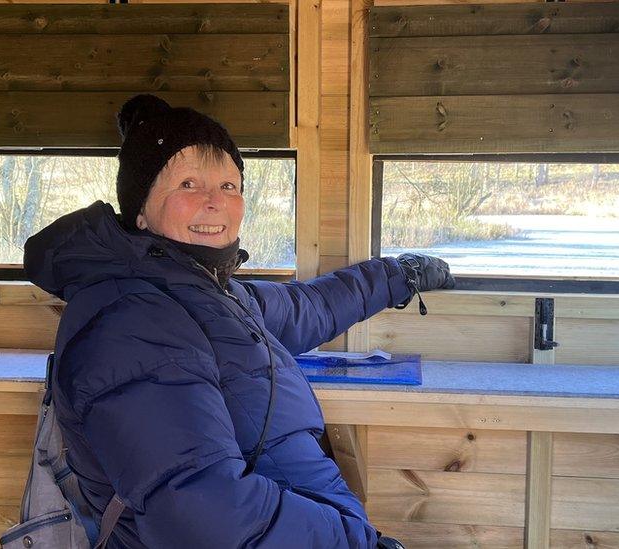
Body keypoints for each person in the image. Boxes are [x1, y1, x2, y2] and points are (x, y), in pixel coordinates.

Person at [23, 94, 454, 548]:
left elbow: (309, 308)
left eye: (229, 185)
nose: (215, 202)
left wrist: (396, 275)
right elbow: (202, 515)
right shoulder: (130, 319)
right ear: (141, 211)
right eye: (189, 184)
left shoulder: (212, 296)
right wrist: (356, 541)